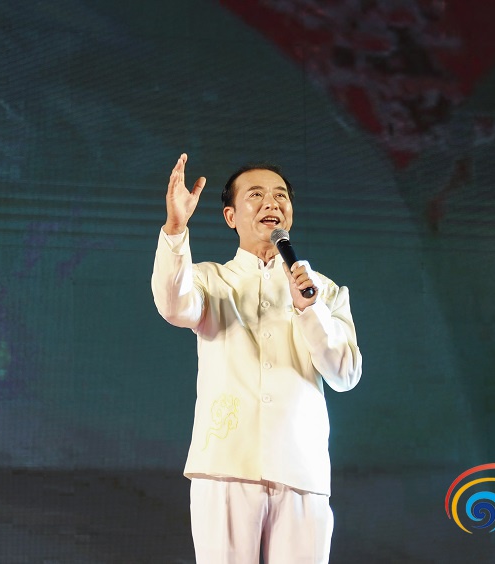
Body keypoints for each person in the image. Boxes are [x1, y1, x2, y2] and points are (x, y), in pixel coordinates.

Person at [151, 153, 363, 563]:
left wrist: (309, 309)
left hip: (302, 469)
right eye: (256, 195)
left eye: (281, 195)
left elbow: (345, 373)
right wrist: (176, 228)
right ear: (230, 216)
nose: (272, 203)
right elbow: (174, 306)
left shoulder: (323, 291)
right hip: (226, 463)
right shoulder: (211, 280)